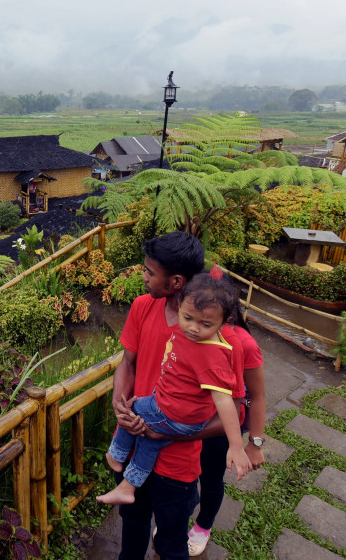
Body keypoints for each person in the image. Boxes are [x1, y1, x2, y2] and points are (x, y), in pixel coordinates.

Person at [110, 231, 242, 560]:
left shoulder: (220, 340)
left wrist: (165, 431)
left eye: (150, 272)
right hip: (132, 445)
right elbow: (127, 363)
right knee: (133, 526)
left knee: (170, 544)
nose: (143, 277)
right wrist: (118, 401)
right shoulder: (142, 307)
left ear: (176, 281)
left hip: (177, 465)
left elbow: (234, 412)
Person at [97, 274, 251, 506]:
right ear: (179, 306)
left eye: (206, 324)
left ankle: (115, 454)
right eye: (188, 318)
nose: (194, 328)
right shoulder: (189, 335)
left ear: (224, 322)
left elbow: (225, 402)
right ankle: (128, 487)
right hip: (179, 413)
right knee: (150, 440)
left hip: (173, 414)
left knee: (133, 407)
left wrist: (237, 447)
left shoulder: (211, 355)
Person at [187, 268, 267, 556]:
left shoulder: (243, 343)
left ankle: (203, 525)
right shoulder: (190, 329)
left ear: (227, 309)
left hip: (219, 426)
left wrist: (254, 443)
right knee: (182, 474)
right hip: (187, 419)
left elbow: (257, 396)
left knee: (209, 477)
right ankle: (178, 519)